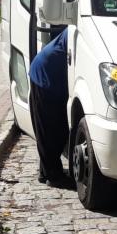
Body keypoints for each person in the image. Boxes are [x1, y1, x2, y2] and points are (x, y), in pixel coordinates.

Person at [28, 27, 72, 186]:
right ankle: (53, 176)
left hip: (51, 75)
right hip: (46, 76)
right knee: (51, 129)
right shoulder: (83, 28)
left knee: (55, 129)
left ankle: (45, 172)